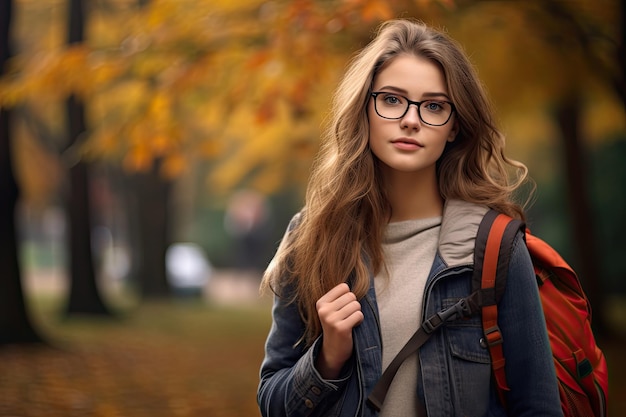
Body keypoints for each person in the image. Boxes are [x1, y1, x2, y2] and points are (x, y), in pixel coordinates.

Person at [257, 19, 562, 417]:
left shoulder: (493, 247)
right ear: (364, 108)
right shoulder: (311, 237)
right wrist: (327, 358)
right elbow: (271, 401)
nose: (411, 120)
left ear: (454, 127)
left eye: (434, 106)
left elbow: (537, 406)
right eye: (392, 99)